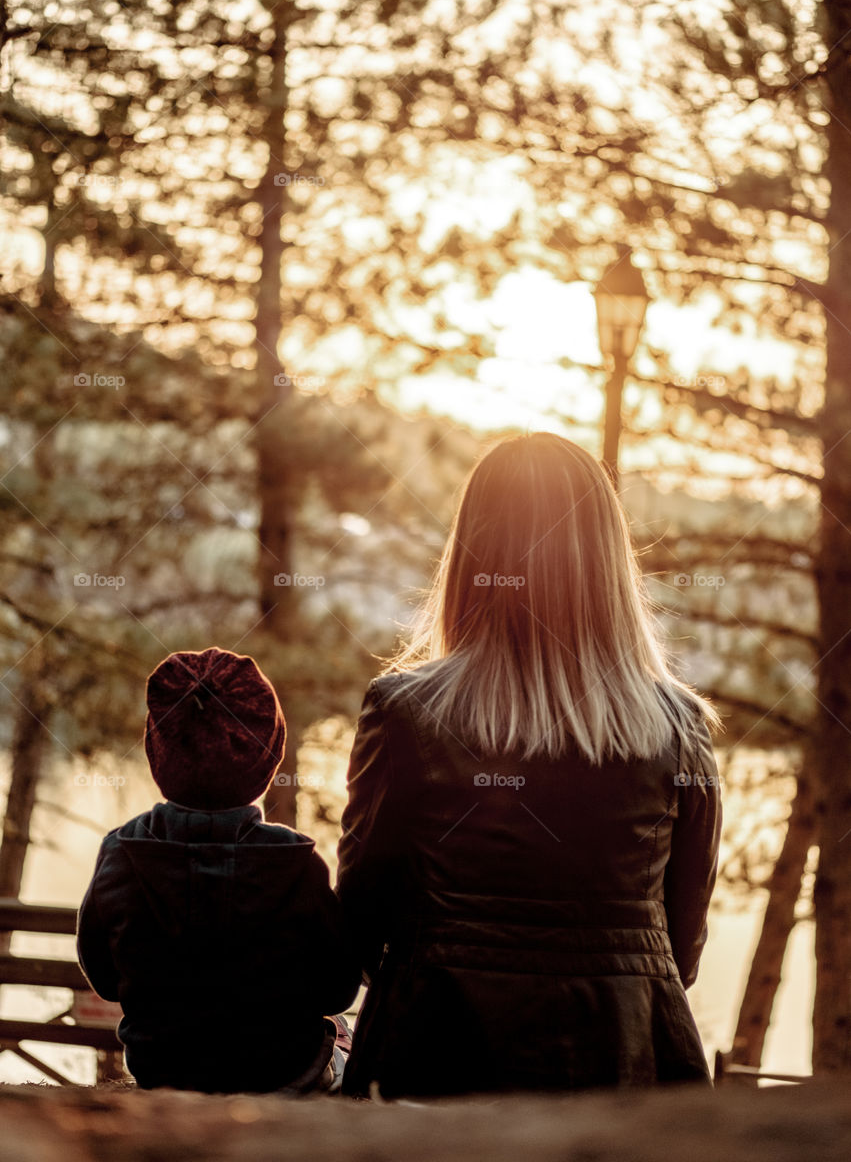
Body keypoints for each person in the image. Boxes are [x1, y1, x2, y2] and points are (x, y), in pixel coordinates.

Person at [337, 431, 723, 1099]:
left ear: (470, 554)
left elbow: (358, 928)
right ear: (607, 562)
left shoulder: (406, 714)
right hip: (626, 1062)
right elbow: (680, 945)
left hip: (435, 1061)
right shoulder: (677, 729)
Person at [77, 646, 361, 1093]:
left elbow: (106, 979)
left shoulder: (122, 852)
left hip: (162, 1074)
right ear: (268, 759)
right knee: (345, 1035)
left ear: (157, 752)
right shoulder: (297, 863)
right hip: (286, 1076)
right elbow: (336, 991)